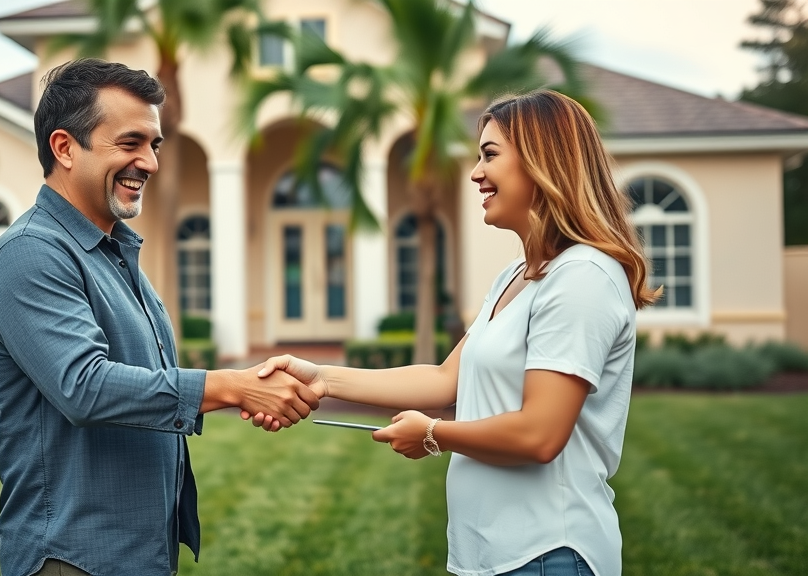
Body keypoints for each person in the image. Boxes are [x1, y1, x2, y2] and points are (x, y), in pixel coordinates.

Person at [252, 89, 657, 576]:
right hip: (491, 554)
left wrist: (433, 435)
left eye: (490, 155)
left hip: (548, 552)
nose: (475, 173)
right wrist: (319, 378)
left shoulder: (583, 278)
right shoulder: (516, 276)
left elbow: (541, 434)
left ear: (542, 160)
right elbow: (446, 380)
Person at [0, 58, 319, 576]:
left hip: (138, 554)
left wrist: (245, 391)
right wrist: (232, 387)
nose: (150, 163)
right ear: (64, 147)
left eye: (153, 145)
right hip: (71, 558)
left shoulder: (112, 252)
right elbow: (84, 386)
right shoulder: (29, 254)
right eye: (130, 143)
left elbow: (143, 385)